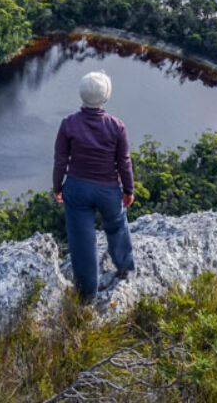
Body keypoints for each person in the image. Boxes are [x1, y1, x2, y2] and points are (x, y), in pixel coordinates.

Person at [53, 70, 136, 301]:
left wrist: (57, 186)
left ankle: (87, 294)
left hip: (77, 189)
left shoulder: (68, 124)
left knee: (82, 240)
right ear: (106, 97)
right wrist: (129, 190)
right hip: (108, 189)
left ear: (81, 95)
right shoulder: (116, 126)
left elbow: (61, 160)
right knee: (117, 226)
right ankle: (125, 267)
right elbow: (124, 162)